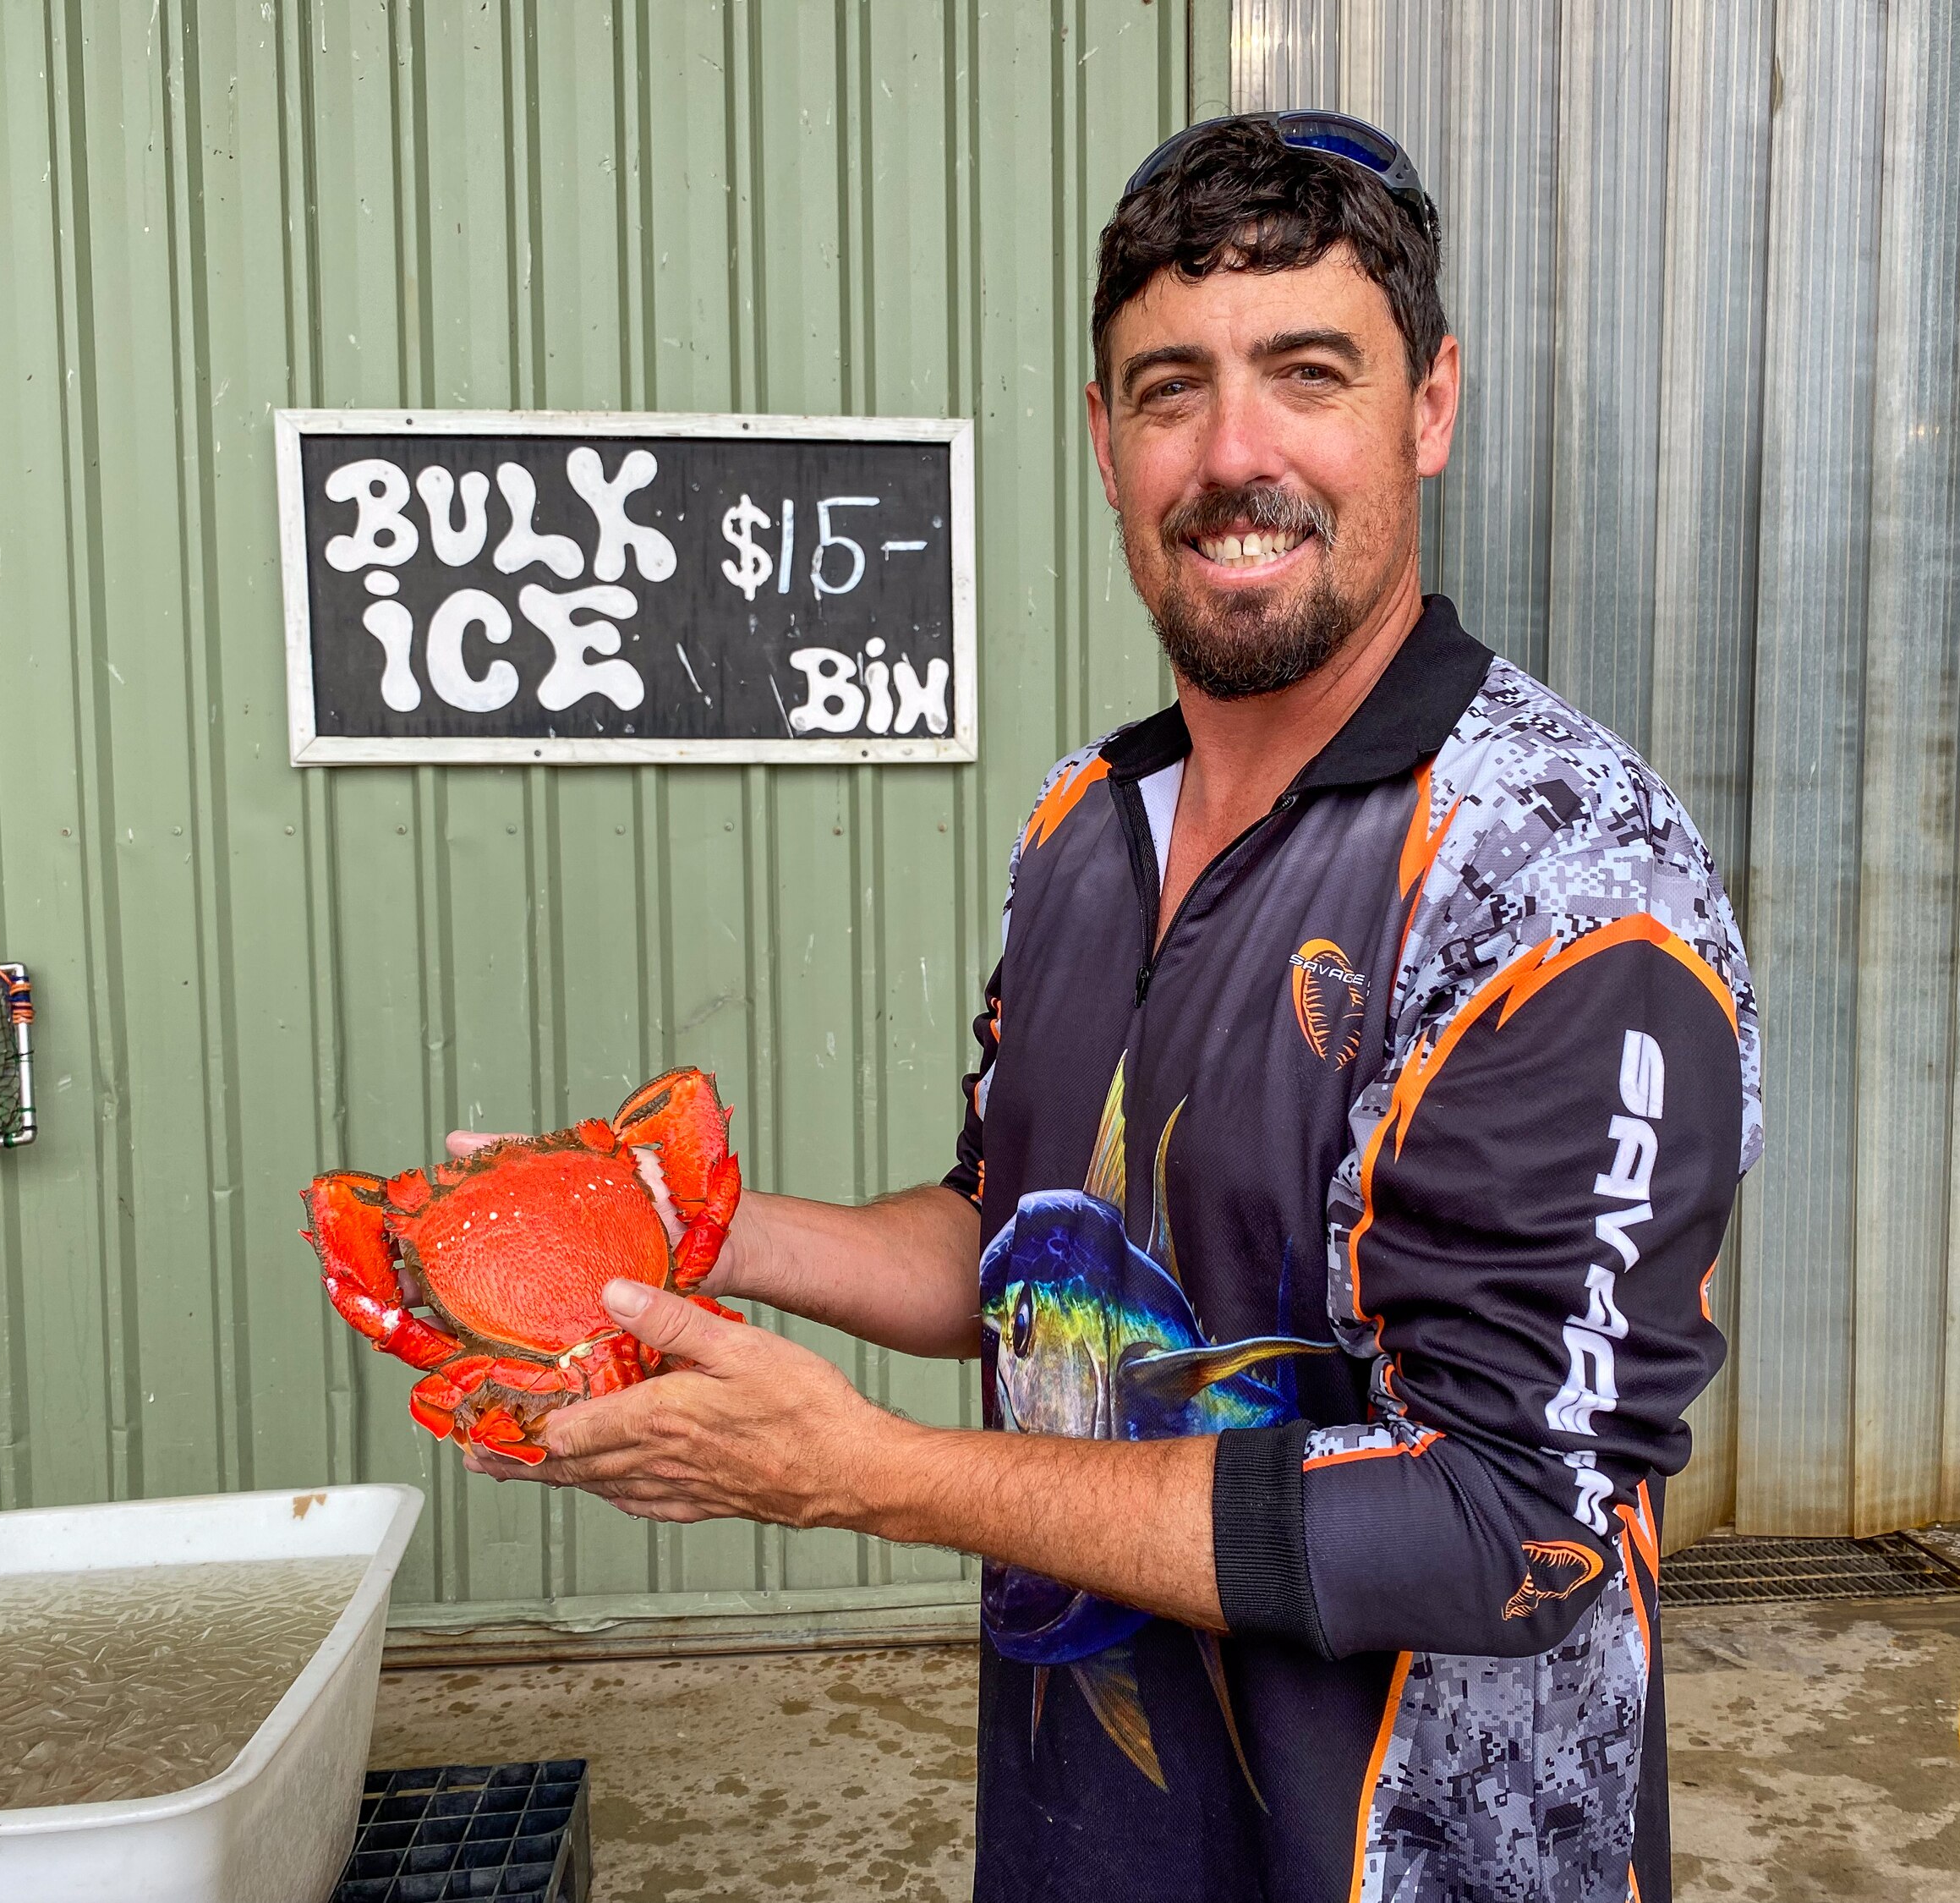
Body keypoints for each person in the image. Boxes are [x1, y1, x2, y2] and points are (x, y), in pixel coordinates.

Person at [460, 113, 1760, 1903]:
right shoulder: (1084, 824)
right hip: (1098, 1839)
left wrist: (872, 1476)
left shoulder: (1566, 886)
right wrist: (687, 1234)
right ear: (1102, 438)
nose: (1237, 455)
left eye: (1309, 374)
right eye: (1170, 390)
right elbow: (1021, 1248)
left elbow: (1509, 1525)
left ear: (1429, 406)